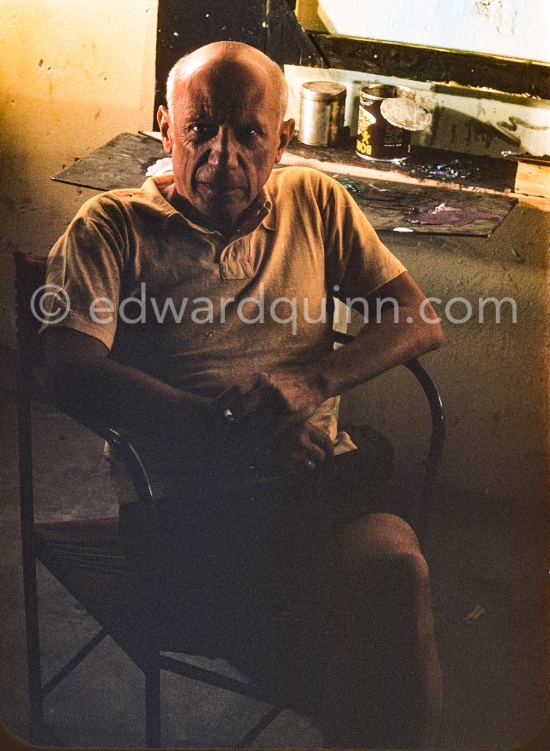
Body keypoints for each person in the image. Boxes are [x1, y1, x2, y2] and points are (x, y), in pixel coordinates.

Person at [41, 40, 443, 748]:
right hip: (185, 511)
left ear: (283, 139)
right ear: (165, 128)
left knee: (398, 575)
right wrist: (224, 426)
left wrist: (311, 383)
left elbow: (418, 317)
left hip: (310, 487)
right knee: (350, 654)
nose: (222, 155)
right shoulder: (110, 226)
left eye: (249, 132)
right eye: (200, 130)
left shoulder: (315, 200)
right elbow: (68, 370)